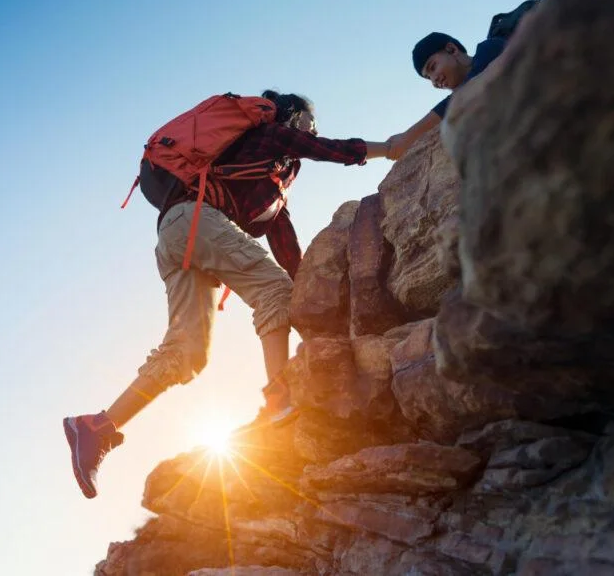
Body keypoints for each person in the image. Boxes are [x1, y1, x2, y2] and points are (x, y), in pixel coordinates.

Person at [63, 90, 390, 499]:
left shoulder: (270, 184)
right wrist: (390, 148)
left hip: (175, 233)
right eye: (308, 121)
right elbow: (330, 150)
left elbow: (287, 248)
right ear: (292, 117)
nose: (312, 129)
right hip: (195, 219)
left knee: (187, 354)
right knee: (273, 290)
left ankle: (95, 427)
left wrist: (312, 299)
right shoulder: (272, 137)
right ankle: (280, 402)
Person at [386, 0, 539, 160]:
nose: (434, 81)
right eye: (428, 77)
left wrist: (407, 137)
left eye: (432, 67)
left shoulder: (489, 48)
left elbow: (466, 92)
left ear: (451, 49)